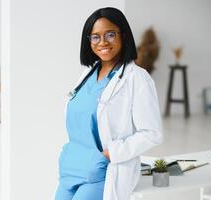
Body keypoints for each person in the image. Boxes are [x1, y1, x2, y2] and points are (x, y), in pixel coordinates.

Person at [55, 7, 163, 200]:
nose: (102, 42)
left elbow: (152, 133)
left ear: (123, 35)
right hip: (72, 167)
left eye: (110, 35)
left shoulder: (136, 78)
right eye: (95, 37)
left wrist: (110, 154)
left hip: (103, 172)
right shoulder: (87, 75)